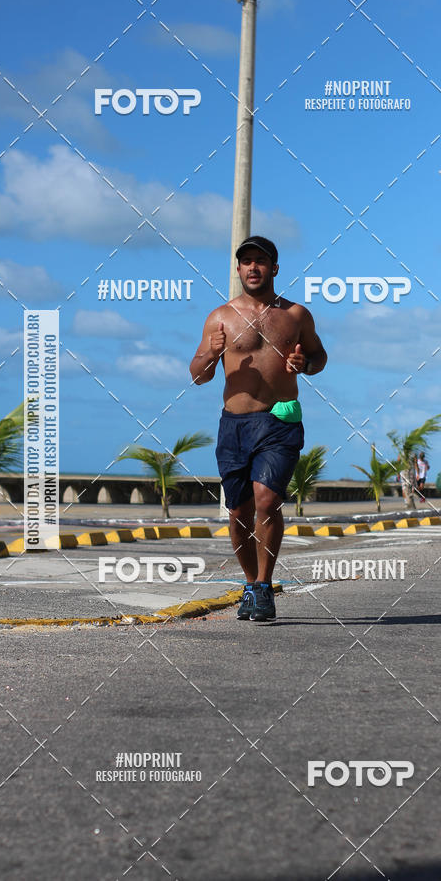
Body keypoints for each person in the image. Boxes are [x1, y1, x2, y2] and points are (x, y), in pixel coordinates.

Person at [189, 235, 327, 621]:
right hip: (234, 425)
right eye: (246, 261)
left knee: (267, 500)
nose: (253, 267)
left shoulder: (296, 315)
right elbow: (198, 375)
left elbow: (319, 356)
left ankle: (264, 586)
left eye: (260, 261)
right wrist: (212, 354)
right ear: (238, 269)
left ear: (274, 269)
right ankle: (250, 583)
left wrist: (306, 364)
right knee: (238, 512)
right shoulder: (220, 317)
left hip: (279, 421)